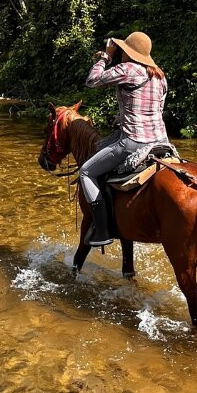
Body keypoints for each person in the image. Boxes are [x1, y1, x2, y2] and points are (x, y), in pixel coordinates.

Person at [80, 31, 169, 246]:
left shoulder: (128, 69)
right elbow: (155, 108)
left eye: (122, 51)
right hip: (160, 141)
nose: (120, 54)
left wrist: (106, 56)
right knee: (101, 145)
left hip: (133, 141)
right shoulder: (159, 75)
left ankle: (102, 230)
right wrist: (121, 116)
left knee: (86, 172)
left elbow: (92, 80)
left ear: (129, 53)